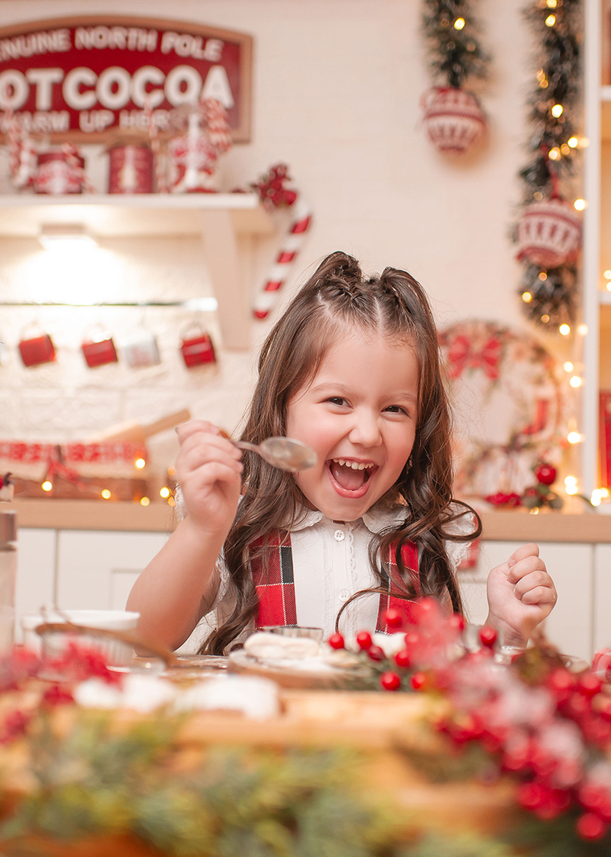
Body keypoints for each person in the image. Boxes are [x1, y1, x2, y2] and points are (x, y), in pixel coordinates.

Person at [127, 251, 556, 654]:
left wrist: (505, 630)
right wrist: (202, 529)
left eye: (394, 409)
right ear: (282, 408)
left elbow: (443, 676)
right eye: (338, 401)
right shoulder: (234, 524)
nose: (368, 433)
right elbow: (144, 636)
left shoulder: (422, 539)